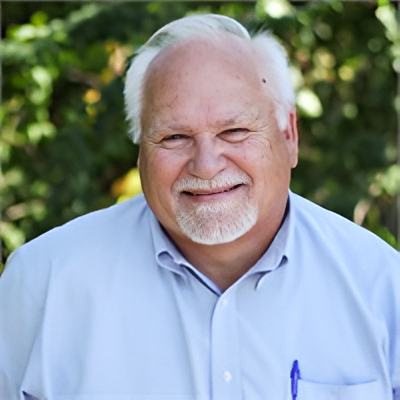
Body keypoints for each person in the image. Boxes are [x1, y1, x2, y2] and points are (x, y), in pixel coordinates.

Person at [0, 13, 399, 400]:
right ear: (140, 150)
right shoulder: (41, 285)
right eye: (174, 137)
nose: (206, 165)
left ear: (288, 135)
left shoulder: (382, 289)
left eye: (235, 131)